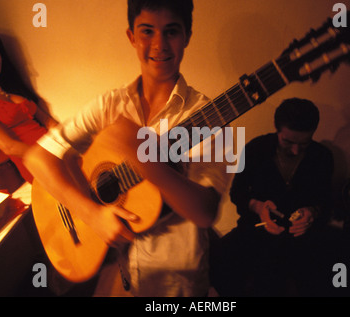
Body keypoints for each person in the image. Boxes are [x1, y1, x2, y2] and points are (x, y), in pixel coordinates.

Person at [24, 0, 228, 297]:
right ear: (131, 36)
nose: (159, 44)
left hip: (175, 281)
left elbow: (206, 213)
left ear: (187, 37)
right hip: (115, 274)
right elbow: (37, 157)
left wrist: (143, 157)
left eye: (171, 31)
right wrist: (91, 214)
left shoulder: (210, 117)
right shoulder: (110, 105)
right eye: (147, 31)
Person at [210, 98, 335, 296]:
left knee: (329, 268)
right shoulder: (255, 148)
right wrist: (258, 207)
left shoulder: (322, 156)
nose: (295, 150)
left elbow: (327, 201)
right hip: (256, 229)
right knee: (219, 259)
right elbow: (237, 192)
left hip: (301, 237)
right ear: (277, 130)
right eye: (288, 141)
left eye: (304, 143)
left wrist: (312, 212)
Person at [0, 21, 57, 184]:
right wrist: (51, 153)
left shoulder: (6, 85)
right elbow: (7, 146)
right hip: (37, 160)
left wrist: (67, 139)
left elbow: (47, 121)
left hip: (54, 148)